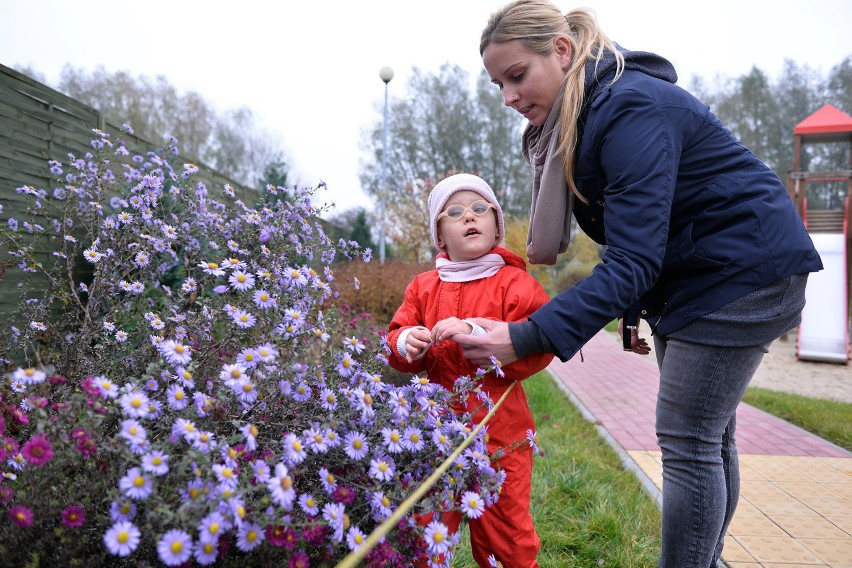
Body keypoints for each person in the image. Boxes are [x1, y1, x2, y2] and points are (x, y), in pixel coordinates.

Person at [457, 2, 824, 567]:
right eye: (497, 84)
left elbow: (634, 257)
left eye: (516, 75)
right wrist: (635, 313)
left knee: (688, 442)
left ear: (560, 50)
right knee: (707, 439)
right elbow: (643, 232)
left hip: (742, 272)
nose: (508, 97)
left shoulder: (628, 107)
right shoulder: (591, 112)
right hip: (704, 275)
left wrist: (525, 337)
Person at [386, 173, 554, 568]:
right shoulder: (424, 287)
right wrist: (405, 342)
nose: (469, 218)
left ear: (496, 224)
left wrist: (476, 332)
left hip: (501, 437)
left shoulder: (515, 283)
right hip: (433, 437)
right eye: (455, 212)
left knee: (506, 535)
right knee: (426, 529)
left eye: (480, 209)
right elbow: (395, 336)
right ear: (440, 235)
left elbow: (539, 342)